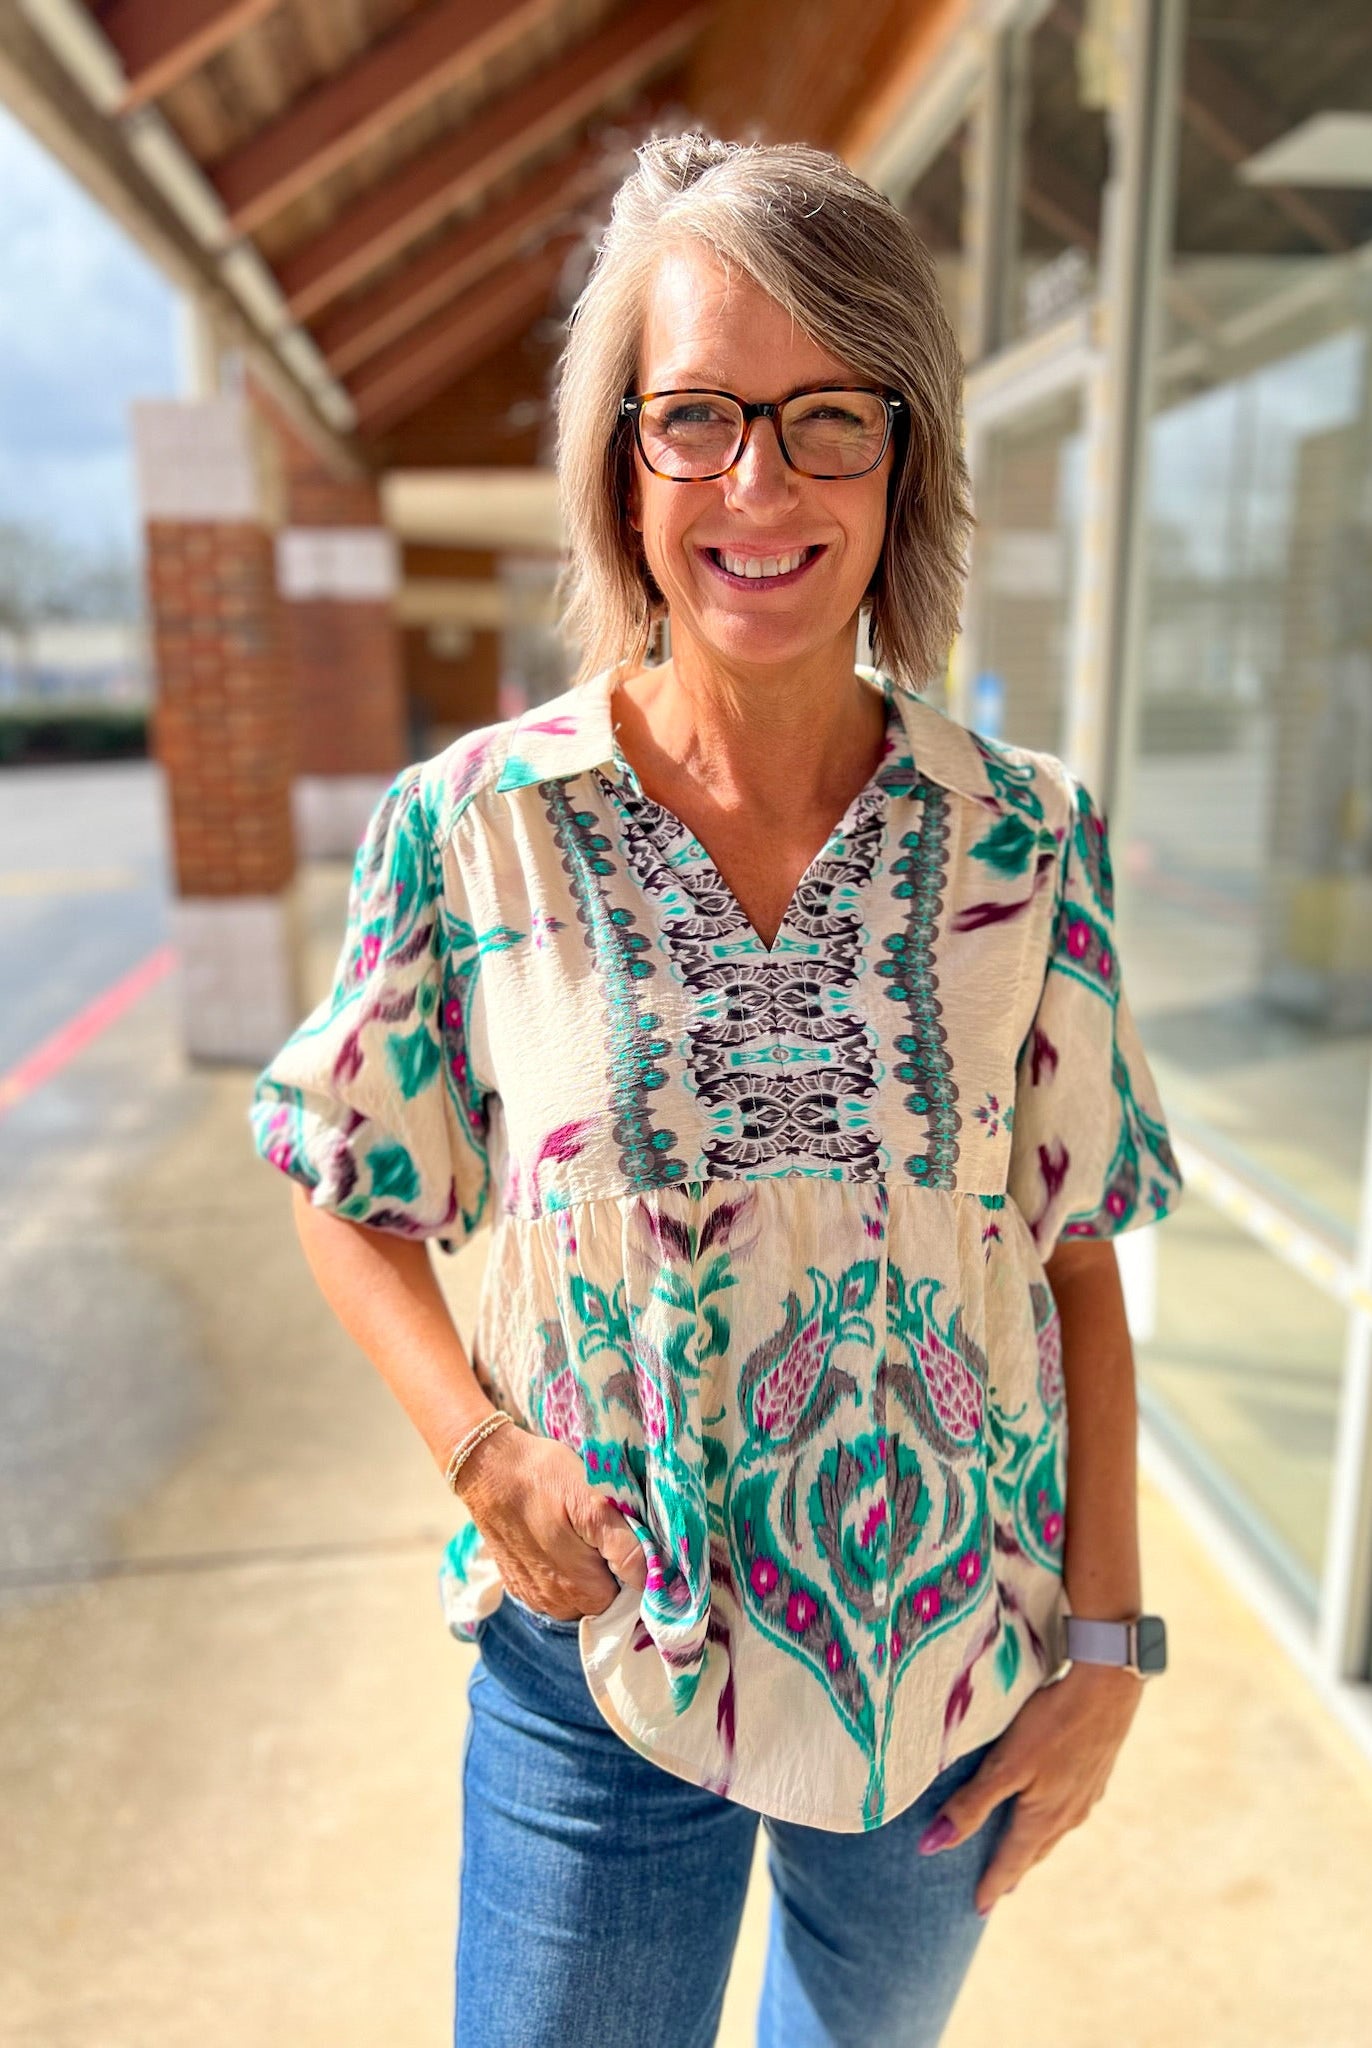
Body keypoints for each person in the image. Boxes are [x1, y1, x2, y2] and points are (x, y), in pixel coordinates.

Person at [248, 132, 1184, 2048]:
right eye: (696, 418)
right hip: (601, 1659)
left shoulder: (1027, 836)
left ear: (904, 454)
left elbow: (1077, 1258)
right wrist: (479, 1452)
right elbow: (344, 1178)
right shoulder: (473, 831)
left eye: (827, 416)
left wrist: (1107, 1650)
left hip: (954, 1671)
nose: (758, 483)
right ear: (624, 463)